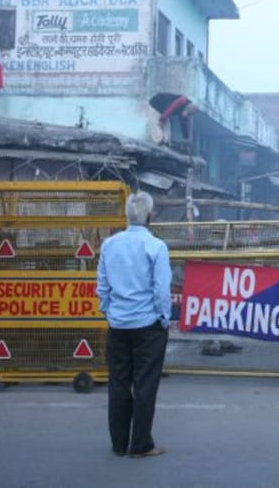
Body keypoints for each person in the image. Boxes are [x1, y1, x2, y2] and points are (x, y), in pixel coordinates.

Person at [97, 191, 171, 459]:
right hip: (147, 326)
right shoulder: (156, 247)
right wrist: (164, 319)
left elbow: (102, 285)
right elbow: (162, 290)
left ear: (127, 216)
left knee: (118, 382)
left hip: (118, 325)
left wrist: (108, 311)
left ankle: (118, 444)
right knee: (145, 385)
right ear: (150, 217)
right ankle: (140, 444)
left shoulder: (109, 244)